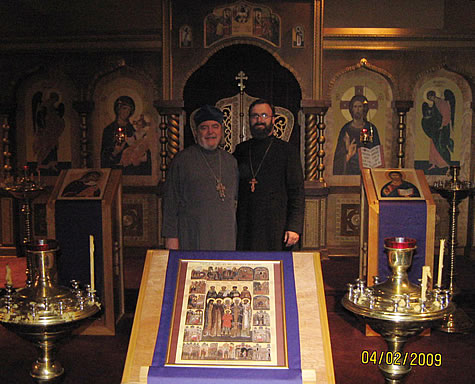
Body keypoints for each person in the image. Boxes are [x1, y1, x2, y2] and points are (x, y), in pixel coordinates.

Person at [162, 105, 238, 251]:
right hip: (193, 236)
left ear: (221, 131)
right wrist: (171, 238)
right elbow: (170, 203)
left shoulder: (230, 161)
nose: (210, 132)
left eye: (215, 126)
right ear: (196, 132)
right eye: (204, 127)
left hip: (225, 238)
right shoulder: (182, 160)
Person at [233, 99, 305, 251]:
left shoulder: (287, 151)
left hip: (276, 227)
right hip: (246, 225)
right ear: (249, 120)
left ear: (273, 119)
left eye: (264, 115)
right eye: (255, 116)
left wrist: (294, 227)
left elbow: (297, 192)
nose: (259, 120)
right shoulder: (241, 150)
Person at [100, 96, 152, 175]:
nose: (126, 112)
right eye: (124, 108)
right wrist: (115, 152)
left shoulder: (133, 129)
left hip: (131, 170)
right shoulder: (109, 130)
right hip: (115, 171)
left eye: (129, 110)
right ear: (118, 109)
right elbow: (104, 155)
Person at [333, 94, 381, 175]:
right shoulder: (346, 129)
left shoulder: (371, 128)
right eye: (355, 107)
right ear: (351, 109)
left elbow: (376, 150)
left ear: (364, 109)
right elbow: (339, 154)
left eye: (360, 106)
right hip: (350, 170)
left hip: (367, 169)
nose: (357, 110)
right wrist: (348, 153)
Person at [421, 90, 455, 170]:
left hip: (443, 128)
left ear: (433, 95)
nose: (430, 99)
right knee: (433, 145)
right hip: (435, 128)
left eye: (430, 97)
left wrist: (442, 125)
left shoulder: (442, 103)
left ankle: (446, 163)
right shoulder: (435, 104)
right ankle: (434, 163)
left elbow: (446, 115)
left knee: (441, 145)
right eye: (429, 98)